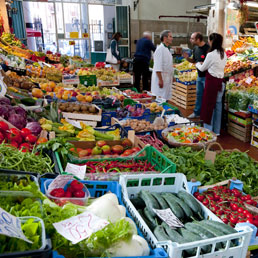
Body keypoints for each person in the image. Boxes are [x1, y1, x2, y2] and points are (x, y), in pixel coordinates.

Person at [195, 33, 227, 135]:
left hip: (212, 83)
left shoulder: (211, 55)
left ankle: (208, 130)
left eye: (209, 39)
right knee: (218, 107)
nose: (208, 41)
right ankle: (216, 131)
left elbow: (203, 68)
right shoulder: (223, 53)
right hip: (220, 83)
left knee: (209, 107)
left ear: (212, 41)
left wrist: (197, 64)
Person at [183, 32, 210, 119]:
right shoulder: (195, 48)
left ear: (198, 39)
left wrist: (204, 63)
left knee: (207, 97)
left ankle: (205, 114)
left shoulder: (208, 48)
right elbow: (194, 61)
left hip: (207, 77)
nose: (190, 40)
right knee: (199, 95)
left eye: (192, 38)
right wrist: (187, 58)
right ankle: (197, 112)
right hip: (199, 76)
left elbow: (210, 63)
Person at [151, 30, 173, 100]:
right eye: (170, 36)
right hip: (161, 78)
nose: (172, 38)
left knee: (165, 98)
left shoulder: (166, 49)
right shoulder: (160, 49)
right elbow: (158, 66)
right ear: (165, 38)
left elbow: (168, 65)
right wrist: (160, 80)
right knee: (160, 99)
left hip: (166, 78)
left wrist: (172, 76)